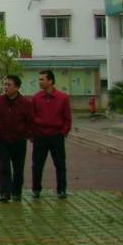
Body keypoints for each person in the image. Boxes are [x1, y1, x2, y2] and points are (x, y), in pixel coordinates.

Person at [0, 74, 34, 202]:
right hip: (3, 140)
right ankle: (5, 193)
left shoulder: (25, 103)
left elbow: (30, 121)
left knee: (18, 169)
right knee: (4, 167)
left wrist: (28, 134)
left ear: (17, 87)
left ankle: (16, 191)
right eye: (5, 84)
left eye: (9, 85)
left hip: (19, 140)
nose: (6, 87)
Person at [31, 69, 72, 199]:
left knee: (60, 164)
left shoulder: (62, 98)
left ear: (50, 81)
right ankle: (36, 189)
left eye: (42, 79)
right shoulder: (36, 97)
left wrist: (62, 133)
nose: (40, 82)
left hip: (56, 136)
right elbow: (32, 117)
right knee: (37, 165)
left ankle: (61, 189)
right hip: (40, 136)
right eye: (39, 79)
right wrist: (34, 134)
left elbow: (67, 118)